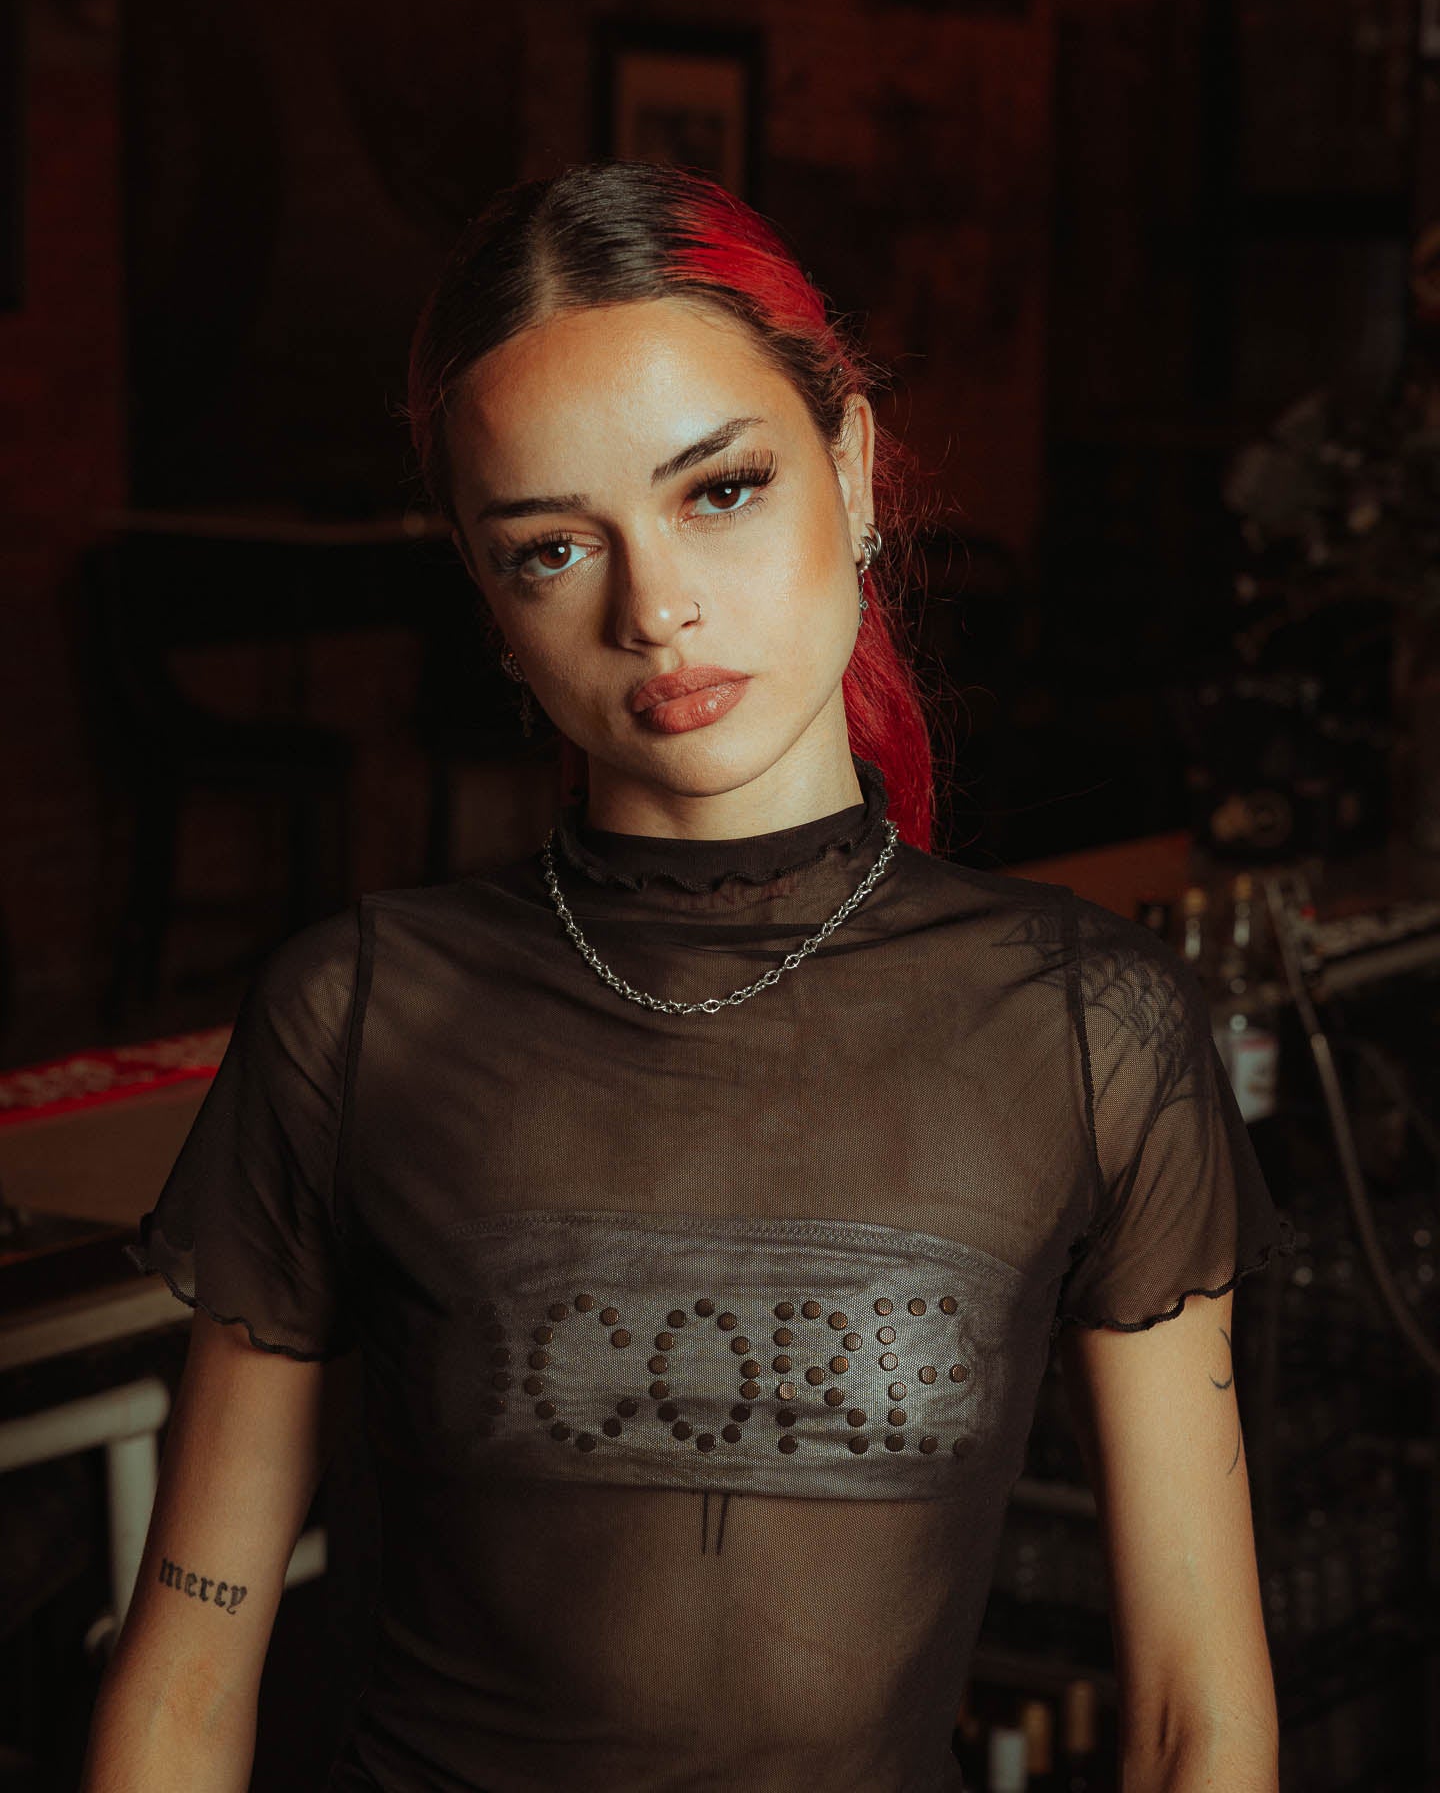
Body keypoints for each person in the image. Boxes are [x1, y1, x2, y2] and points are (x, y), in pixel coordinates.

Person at [82, 159, 1292, 1793]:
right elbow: (180, 1691)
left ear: (853, 470)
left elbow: (1194, 1726)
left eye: (718, 490)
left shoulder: (1087, 1027)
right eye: (550, 552)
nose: (656, 610)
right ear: (491, 601)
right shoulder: (361, 1016)